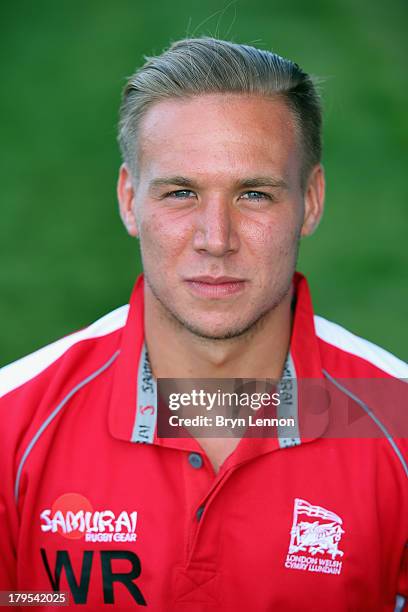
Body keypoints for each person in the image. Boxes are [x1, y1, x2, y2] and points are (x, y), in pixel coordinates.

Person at [0, 37, 407, 611]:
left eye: (255, 194)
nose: (216, 239)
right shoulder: (12, 422)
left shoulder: (397, 419)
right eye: (181, 192)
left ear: (311, 200)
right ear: (129, 200)